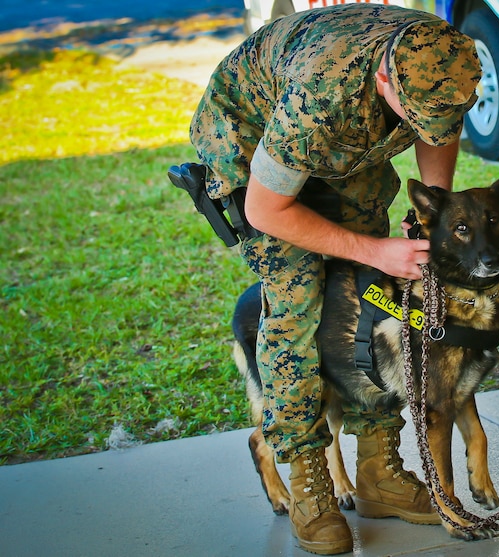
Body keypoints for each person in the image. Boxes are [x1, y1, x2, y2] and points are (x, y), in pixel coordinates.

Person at [189, 4, 480, 554]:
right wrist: (377, 248)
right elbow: (267, 211)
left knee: (372, 297)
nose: (430, 126)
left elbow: (438, 128)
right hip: (254, 142)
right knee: (298, 306)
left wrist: (430, 211)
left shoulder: (444, 61)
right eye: (417, 115)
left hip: (347, 142)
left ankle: (378, 470)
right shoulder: (319, 97)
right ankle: (308, 482)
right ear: (385, 81)